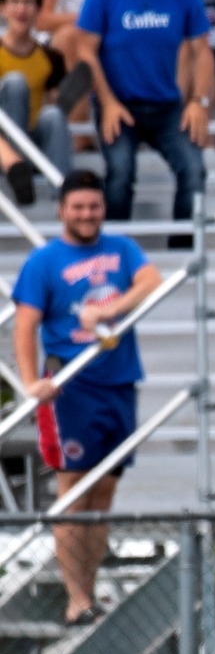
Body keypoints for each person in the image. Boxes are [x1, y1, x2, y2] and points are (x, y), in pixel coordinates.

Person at [11, 171, 161, 625]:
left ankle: (89, 594)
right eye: (77, 207)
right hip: (71, 387)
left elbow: (151, 281)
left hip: (118, 381)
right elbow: (25, 325)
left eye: (94, 206)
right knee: (74, 490)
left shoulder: (122, 249)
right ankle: (76, 598)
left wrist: (111, 308)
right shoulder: (44, 261)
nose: (86, 214)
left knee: (104, 492)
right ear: (62, 210)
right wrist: (29, 381)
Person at [76, 0, 211, 234]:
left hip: (168, 107)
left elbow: (203, 51)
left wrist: (198, 101)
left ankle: (184, 253)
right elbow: (85, 51)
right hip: (119, 106)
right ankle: (113, 250)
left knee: (194, 171)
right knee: (120, 173)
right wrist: (107, 103)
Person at [0, 0, 72, 202]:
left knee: (53, 115)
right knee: (14, 82)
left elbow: (53, 103)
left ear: (38, 10)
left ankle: (63, 197)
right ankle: (15, 166)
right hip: (2, 144)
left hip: (33, 142)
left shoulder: (51, 57)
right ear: (3, 9)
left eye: (28, 2)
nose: (21, 9)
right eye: (14, 1)